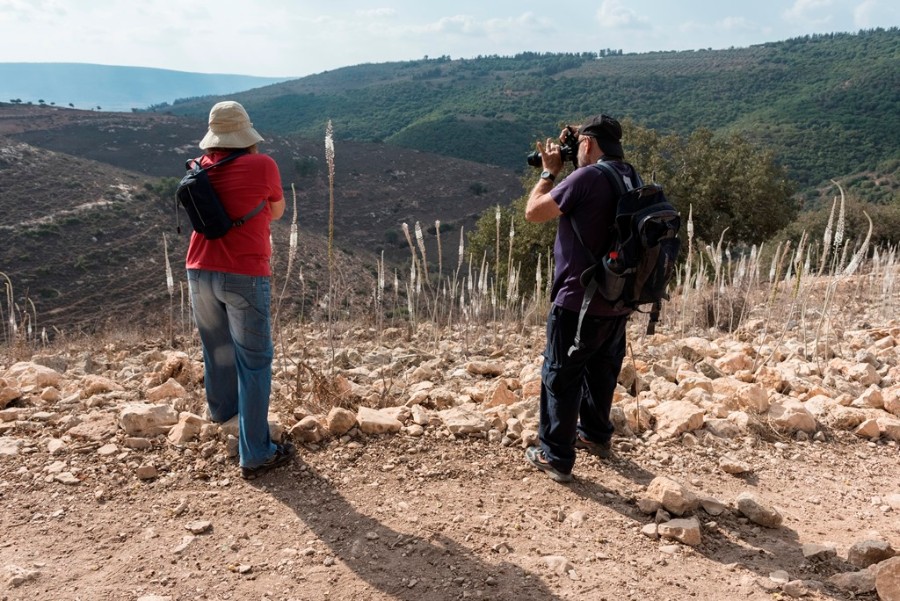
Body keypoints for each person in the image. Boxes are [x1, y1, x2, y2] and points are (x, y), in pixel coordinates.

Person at [523, 114, 639, 483]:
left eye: (579, 145)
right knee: (602, 369)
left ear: (587, 145)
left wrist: (549, 172)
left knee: (561, 373)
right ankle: (594, 434)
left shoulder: (586, 177)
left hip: (578, 299)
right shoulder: (629, 174)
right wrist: (578, 152)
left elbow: (534, 212)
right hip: (617, 297)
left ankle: (555, 456)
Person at [185, 100, 294, 480]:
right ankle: (257, 452)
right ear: (245, 133)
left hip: (198, 269)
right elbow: (277, 212)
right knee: (255, 361)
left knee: (216, 348)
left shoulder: (198, 168)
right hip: (244, 273)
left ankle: (221, 414)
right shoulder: (262, 165)